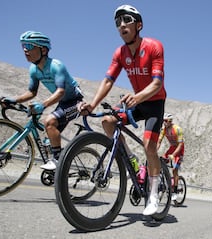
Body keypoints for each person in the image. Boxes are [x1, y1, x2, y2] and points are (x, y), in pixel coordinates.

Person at [78, 5, 166, 216]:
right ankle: (131, 159)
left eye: (127, 20)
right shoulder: (120, 53)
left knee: (149, 146)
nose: (122, 25)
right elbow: (108, 80)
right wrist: (92, 103)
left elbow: (156, 84)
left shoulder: (154, 46)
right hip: (136, 102)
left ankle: (153, 195)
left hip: (154, 103)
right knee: (108, 121)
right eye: (118, 22)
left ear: (139, 25)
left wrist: (137, 97)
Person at [1, 31, 83, 170]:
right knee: (47, 141)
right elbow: (32, 92)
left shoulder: (56, 65)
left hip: (76, 102)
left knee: (49, 122)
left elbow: (60, 91)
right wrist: (14, 100)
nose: (25, 50)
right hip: (63, 103)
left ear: (43, 49)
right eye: (23, 46)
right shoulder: (34, 69)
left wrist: (43, 105)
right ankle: (58, 172)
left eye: (29, 45)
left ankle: (58, 161)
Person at [157, 113, 185, 201]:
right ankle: (164, 181)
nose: (164, 123)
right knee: (160, 162)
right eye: (163, 121)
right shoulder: (163, 130)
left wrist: (173, 155)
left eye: (165, 121)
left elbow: (180, 145)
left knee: (174, 170)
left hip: (179, 149)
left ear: (170, 121)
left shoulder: (177, 129)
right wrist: (154, 151)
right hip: (172, 148)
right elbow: (159, 141)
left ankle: (175, 191)